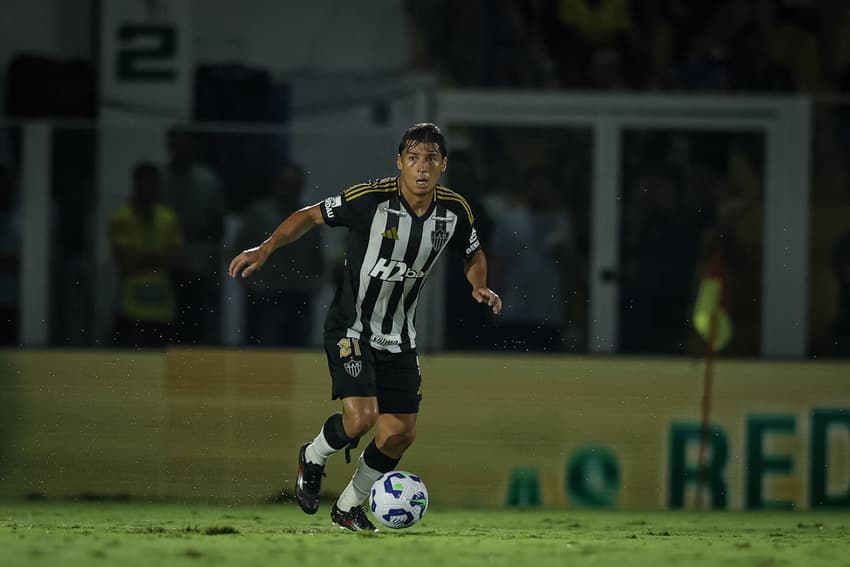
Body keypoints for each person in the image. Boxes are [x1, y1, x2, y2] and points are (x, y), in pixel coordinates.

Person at [228, 123, 501, 531]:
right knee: (361, 418)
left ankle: (348, 505)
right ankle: (314, 456)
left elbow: (473, 252)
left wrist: (478, 284)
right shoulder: (369, 199)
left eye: (430, 158)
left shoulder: (454, 210)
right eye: (413, 158)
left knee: (400, 434)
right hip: (351, 329)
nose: (421, 167)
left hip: (400, 337)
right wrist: (266, 248)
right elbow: (309, 216)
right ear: (399, 163)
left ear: (443, 164)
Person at [234, 162, 322, 347]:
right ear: (277, 184)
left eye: (295, 184)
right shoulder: (259, 214)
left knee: (298, 348)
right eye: (287, 183)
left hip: (298, 295)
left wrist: (314, 283)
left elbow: (317, 257)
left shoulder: (309, 217)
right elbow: (238, 252)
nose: (290, 189)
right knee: (261, 349)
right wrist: (250, 283)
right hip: (265, 296)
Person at [161, 126, 226, 345]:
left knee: (198, 323)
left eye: (187, 145)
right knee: (165, 324)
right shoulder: (160, 178)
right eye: (178, 145)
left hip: (200, 264)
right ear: (169, 147)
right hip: (164, 265)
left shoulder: (208, 180)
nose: (183, 150)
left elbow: (218, 225)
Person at [109, 162, 184, 348]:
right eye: (146, 184)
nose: (150, 189)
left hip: (163, 311)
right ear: (136, 185)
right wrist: (159, 256)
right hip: (131, 310)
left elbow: (177, 259)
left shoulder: (168, 217)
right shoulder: (121, 218)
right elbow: (125, 261)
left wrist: (141, 256)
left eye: (154, 184)